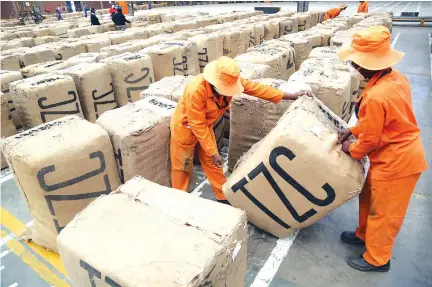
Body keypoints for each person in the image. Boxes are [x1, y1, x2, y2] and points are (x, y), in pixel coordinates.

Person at [336, 26, 428, 272]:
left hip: (398, 161)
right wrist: (352, 130)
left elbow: (371, 141)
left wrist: (350, 148)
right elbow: (379, 120)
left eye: (357, 63)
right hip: (389, 155)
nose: (355, 67)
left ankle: (377, 259)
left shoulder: (378, 94)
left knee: (384, 213)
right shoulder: (394, 78)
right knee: (368, 198)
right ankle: (363, 234)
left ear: (370, 64)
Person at [170, 56, 311, 203]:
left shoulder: (232, 81)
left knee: (213, 165)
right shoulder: (196, 90)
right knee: (182, 165)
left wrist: (289, 96)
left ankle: (222, 196)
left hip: (206, 127)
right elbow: (197, 124)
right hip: (186, 128)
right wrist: (213, 152)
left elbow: (258, 89)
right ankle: (178, 199)